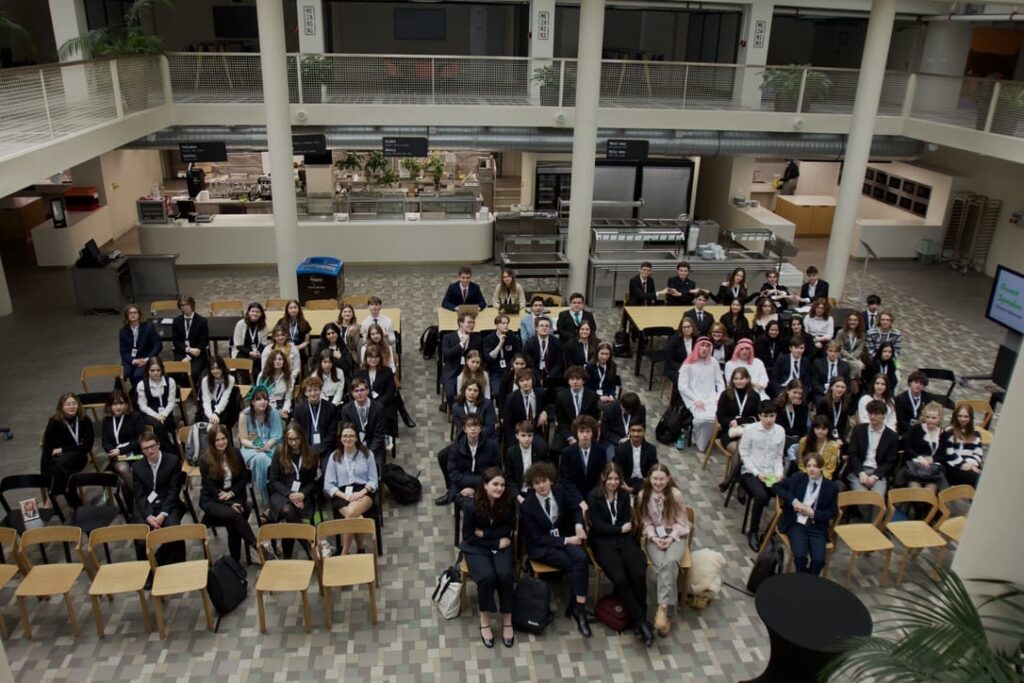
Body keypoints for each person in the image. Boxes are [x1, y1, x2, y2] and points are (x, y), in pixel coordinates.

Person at [519, 462, 591, 637]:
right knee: (575, 564)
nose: (541, 486)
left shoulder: (560, 490)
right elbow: (537, 538)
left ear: (550, 480)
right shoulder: (528, 505)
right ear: (531, 485)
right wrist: (566, 540)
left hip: (566, 537)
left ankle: (578, 608)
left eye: (544, 481)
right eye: (536, 483)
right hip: (544, 546)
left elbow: (575, 508)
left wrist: (578, 525)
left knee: (582, 559)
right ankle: (576, 609)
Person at [588, 463, 654, 646]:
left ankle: (640, 617)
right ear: (604, 478)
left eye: (617, 479)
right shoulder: (594, 497)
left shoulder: (624, 495)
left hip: (624, 541)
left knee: (639, 571)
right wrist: (618, 529)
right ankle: (642, 622)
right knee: (620, 578)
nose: (613, 482)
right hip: (603, 543)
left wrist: (622, 529)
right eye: (610, 479)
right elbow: (599, 527)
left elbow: (628, 521)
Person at [460, 468, 517, 649]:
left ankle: (507, 619)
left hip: (502, 544)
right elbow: (469, 536)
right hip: (477, 547)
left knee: (506, 575)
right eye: (495, 484)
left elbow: (508, 529)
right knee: (487, 577)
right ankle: (485, 619)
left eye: (502, 485)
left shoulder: (508, 503)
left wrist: (484, 533)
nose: (499, 488)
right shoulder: (471, 506)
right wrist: (493, 542)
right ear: (485, 485)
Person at [637, 463, 690, 637]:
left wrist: (670, 537)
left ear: (668, 479)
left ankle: (662, 609)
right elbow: (645, 522)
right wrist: (654, 537)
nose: (658, 482)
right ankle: (666, 616)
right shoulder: (643, 495)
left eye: (661, 479)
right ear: (649, 479)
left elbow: (683, 522)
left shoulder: (676, 495)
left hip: (676, 535)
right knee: (658, 568)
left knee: (669, 562)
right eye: (655, 479)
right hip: (655, 537)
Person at [199, 424, 257, 563]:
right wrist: (230, 504)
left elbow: (243, 477)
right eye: (217, 440)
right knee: (234, 514)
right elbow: (212, 489)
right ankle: (256, 544)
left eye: (223, 438)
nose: (221, 442)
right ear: (212, 442)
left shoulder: (235, 453)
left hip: (234, 494)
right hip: (213, 500)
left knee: (233, 521)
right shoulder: (205, 460)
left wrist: (232, 494)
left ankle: (234, 560)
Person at [773, 453, 838, 575]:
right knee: (800, 557)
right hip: (796, 523)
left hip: (817, 526)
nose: (812, 469)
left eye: (815, 466)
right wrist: (794, 501)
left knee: (818, 561)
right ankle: (802, 581)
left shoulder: (831, 487)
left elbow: (831, 513)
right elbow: (776, 487)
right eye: (809, 466)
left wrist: (813, 513)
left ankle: (808, 581)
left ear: (822, 468)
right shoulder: (797, 478)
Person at [324, 423, 379, 554]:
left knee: (350, 513)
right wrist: (345, 496)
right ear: (340, 438)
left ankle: (345, 551)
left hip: (363, 491)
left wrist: (361, 492)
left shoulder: (367, 454)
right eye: (344, 436)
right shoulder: (334, 456)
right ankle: (361, 548)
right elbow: (328, 485)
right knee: (355, 517)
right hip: (342, 494)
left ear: (356, 438)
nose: (347, 439)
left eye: (351, 436)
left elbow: (373, 480)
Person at [131, 431, 185, 564]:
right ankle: (146, 572)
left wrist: (162, 514)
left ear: (158, 444)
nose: (150, 451)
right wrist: (149, 516)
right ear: (141, 450)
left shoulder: (172, 461)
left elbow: (174, 491)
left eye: (152, 446)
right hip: (146, 506)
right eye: (145, 448)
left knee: (174, 533)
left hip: (167, 504)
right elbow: (139, 495)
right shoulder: (137, 467)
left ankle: (158, 563)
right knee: (140, 539)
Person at [267, 423, 319, 558]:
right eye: (290, 440)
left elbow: (312, 482)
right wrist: (290, 495)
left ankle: (287, 558)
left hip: (303, 494)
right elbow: (274, 481)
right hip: (282, 494)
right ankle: (308, 546)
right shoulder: (279, 452)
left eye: (297, 439)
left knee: (289, 516)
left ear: (302, 438)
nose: (294, 443)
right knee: (287, 510)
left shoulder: (311, 453)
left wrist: (302, 494)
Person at [739, 401, 786, 551]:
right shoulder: (751, 430)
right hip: (751, 472)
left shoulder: (780, 431)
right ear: (760, 415)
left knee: (786, 496)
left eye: (772, 416)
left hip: (771, 473)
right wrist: (758, 473)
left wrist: (779, 474)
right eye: (766, 416)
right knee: (761, 496)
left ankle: (769, 532)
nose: (769, 420)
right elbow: (744, 454)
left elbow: (779, 456)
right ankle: (752, 531)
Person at [846, 400, 899, 515]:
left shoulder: (892, 436)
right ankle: (872, 527)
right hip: (859, 471)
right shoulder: (859, 430)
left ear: (884, 416)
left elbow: (890, 461)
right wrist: (861, 473)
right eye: (871, 413)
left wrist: (875, 476)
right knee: (864, 499)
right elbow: (853, 454)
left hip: (878, 473)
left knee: (878, 501)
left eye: (877, 414)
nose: (873, 417)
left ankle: (873, 527)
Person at [238, 387, 283, 513]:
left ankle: (269, 495)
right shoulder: (244, 415)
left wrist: (267, 446)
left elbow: (277, 435)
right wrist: (256, 446)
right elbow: (243, 440)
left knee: (265, 458)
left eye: (265, 399)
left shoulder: (273, 412)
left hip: (271, 446)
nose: (263, 402)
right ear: (252, 402)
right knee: (260, 458)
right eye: (259, 399)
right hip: (251, 447)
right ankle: (267, 497)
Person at [716, 367, 761, 490]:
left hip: (747, 431)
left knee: (743, 448)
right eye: (735, 379)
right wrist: (731, 422)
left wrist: (740, 421)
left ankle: (729, 479)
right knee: (742, 450)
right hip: (729, 432)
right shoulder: (725, 394)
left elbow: (757, 417)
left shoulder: (754, 396)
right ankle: (741, 485)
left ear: (747, 379)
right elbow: (720, 415)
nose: (738, 381)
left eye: (741, 378)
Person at [42, 392, 94, 498]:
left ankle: (52, 497)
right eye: (68, 404)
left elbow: (87, 447)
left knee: (59, 463)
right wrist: (44, 473)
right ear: (61, 406)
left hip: (79, 456)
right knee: (59, 466)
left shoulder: (85, 420)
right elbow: (47, 448)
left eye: (74, 403)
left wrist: (63, 449)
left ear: (78, 405)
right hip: (59, 460)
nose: (72, 407)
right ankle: (72, 498)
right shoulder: (54, 422)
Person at [678, 337, 726, 452]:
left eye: (707, 346)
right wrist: (695, 400)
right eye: (702, 345)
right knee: (702, 419)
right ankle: (697, 437)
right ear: (697, 346)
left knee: (715, 418)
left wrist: (718, 397)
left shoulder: (713, 362)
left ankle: (704, 440)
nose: (704, 349)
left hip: (711, 398)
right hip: (694, 398)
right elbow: (682, 387)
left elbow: (720, 383)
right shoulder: (688, 364)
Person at [447, 415, 501, 511]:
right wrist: (476, 483)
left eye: (476, 426)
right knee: (471, 508)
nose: (473, 429)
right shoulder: (455, 448)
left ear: (480, 428)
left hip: (485, 486)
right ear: (464, 429)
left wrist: (476, 489)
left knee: (491, 504)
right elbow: (453, 474)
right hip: (462, 486)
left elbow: (496, 470)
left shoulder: (491, 446)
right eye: (469, 426)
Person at [100, 390, 147, 491]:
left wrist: (121, 450)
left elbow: (140, 439)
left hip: (136, 453)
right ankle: (140, 497)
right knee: (123, 469)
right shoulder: (106, 421)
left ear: (127, 404)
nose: (118, 407)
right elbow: (105, 442)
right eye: (114, 404)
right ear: (109, 405)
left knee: (125, 482)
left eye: (121, 403)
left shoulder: (135, 416)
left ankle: (139, 499)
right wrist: (112, 451)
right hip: (118, 457)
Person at [551, 366, 600, 454]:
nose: (575, 382)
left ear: (583, 380)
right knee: (555, 449)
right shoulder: (561, 396)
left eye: (578, 379)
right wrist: (569, 437)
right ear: (568, 381)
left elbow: (594, 417)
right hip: (566, 429)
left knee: (597, 450)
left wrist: (584, 434)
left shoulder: (592, 395)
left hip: (586, 430)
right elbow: (560, 420)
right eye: (572, 379)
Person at [339, 378, 388, 463]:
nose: (359, 393)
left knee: (378, 470)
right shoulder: (346, 410)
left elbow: (379, 435)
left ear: (368, 391)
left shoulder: (378, 408)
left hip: (375, 447)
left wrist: (368, 453)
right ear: (352, 393)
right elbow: (348, 433)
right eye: (356, 391)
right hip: (354, 446)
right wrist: (357, 451)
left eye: (362, 390)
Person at [293, 376, 339, 467]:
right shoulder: (299, 410)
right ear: (305, 393)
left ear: (320, 390)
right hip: (305, 448)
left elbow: (332, 433)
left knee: (328, 468)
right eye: (309, 391)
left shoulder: (331, 408)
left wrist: (320, 449)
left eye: (316, 390)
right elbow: (298, 432)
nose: (313, 393)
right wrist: (307, 449)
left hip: (326, 448)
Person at [501, 369, 550, 453]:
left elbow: (547, 405)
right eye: (521, 380)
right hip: (518, 433)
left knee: (543, 447)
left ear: (533, 380)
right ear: (518, 383)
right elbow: (508, 423)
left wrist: (545, 412)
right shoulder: (511, 398)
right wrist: (512, 442)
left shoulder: (540, 393)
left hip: (535, 431)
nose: (525, 383)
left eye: (528, 380)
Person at [136, 357, 178, 452]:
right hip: (150, 414)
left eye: (158, 370)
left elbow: (171, 402)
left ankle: (166, 450)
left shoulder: (170, 381)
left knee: (163, 424)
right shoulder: (142, 384)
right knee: (158, 425)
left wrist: (163, 415)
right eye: (152, 370)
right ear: (147, 371)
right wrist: (157, 416)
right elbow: (143, 406)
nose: (155, 373)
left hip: (166, 412)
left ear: (162, 370)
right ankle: (171, 451)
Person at [902, 402, 947, 492]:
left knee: (929, 493)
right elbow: (908, 448)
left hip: (933, 470)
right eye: (927, 417)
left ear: (940, 418)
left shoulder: (943, 434)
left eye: (933, 418)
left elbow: (943, 455)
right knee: (916, 491)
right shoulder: (916, 429)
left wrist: (933, 459)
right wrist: (919, 457)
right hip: (915, 468)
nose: (930, 420)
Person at [353, 345, 398, 436]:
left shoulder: (387, 371)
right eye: (370, 357)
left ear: (380, 358)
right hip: (363, 404)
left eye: (376, 357)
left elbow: (390, 392)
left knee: (386, 416)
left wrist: (376, 405)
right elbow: (355, 391)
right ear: (366, 358)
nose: (373, 360)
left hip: (382, 405)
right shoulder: (358, 373)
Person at [558, 415, 603, 503]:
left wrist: (592, 497)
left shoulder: (600, 451)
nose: (585, 435)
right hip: (573, 496)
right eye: (581, 431)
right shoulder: (567, 452)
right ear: (576, 433)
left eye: (588, 431)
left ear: (592, 433)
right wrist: (580, 501)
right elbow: (566, 480)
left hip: (594, 496)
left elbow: (600, 478)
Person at [440, 312, 483, 405]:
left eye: (473, 323)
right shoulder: (448, 337)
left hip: (470, 372)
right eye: (469, 322)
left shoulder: (477, 339)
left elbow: (480, 357)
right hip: (452, 372)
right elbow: (447, 355)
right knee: (451, 394)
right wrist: (461, 344)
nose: (472, 325)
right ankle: (456, 413)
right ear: (460, 323)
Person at [505, 421, 550, 502]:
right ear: (517, 436)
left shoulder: (540, 450)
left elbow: (545, 472)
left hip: (536, 489)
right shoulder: (511, 452)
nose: (527, 439)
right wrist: (518, 496)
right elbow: (509, 478)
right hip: (518, 491)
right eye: (523, 435)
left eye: (530, 435)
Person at [119, 303, 162, 388]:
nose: (133, 315)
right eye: (130, 313)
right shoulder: (123, 331)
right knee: (120, 376)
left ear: (139, 315)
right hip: (131, 360)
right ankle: (117, 398)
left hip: (145, 358)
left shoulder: (148, 327)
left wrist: (147, 359)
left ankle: (137, 398)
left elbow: (158, 345)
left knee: (137, 376)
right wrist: (133, 361)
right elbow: (123, 352)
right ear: (127, 316)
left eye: (135, 312)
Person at [944, 403, 984, 487]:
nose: (962, 419)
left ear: (971, 418)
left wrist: (971, 465)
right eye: (960, 416)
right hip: (954, 467)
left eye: (966, 416)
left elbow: (978, 454)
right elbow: (949, 454)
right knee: (978, 480)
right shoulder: (949, 432)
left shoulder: (976, 434)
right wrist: (964, 464)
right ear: (955, 416)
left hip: (971, 465)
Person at [612, 420, 658, 493]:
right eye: (633, 431)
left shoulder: (651, 449)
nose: (636, 434)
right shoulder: (620, 450)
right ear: (629, 432)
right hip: (626, 482)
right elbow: (618, 472)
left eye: (639, 431)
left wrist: (634, 489)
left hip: (644, 482)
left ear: (644, 432)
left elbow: (653, 471)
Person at [171, 295, 209, 383]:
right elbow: (176, 341)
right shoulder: (176, 321)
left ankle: (193, 390)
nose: (185, 307)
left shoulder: (202, 321)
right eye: (182, 305)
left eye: (187, 305)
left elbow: (203, 342)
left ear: (192, 305)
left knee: (194, 373)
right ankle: (181, 389)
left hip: (197, 354)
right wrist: (187, 350)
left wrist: (189, 357)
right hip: (181, 352)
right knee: (174, 372)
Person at [483, 314, 522, 398]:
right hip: (495, 371)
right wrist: (500, 343)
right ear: (496, 325)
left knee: (513, 392)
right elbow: (489, 358)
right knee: (497, 392)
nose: (506, 325)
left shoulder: (513, 337)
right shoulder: (488, 339)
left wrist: (513, 366)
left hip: (510, 369)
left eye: (507, 323)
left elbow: (518, 354)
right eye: (503, 323)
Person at [197, 355, 240, 429]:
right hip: (209, 407)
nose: (215, 371)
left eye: (218, 368)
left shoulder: (230, 379)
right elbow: (206, 400)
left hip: (224, 407)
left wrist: (216, 413)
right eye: (212, 369)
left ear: (222, 368)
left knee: (221, 422)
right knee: (206, 422)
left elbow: (225, 399)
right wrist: (211, 416)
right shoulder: (205, 380)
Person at [600, 392, 646, 459]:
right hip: (614, 440)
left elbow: (642, 427)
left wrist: (632, 437)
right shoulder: (609, 409)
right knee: (614, 460)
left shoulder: (640, 409)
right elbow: (606, 431)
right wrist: (620, 440)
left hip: (634, 438)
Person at [451, 380, 498, 446]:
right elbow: (460, 427)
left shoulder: (487, 404)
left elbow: (489, 426)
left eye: (475, 390)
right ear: (464, 390)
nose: (472, 393)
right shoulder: (456, 407)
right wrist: (470, 436)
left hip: (485, 437)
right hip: (464, 438)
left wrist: (475, 435)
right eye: (469, 390)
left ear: (479, 393)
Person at [797, 415, 842, 480]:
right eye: (817, 428)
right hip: (805, 474)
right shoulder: (804, 441)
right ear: (813, 429)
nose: (820, 431)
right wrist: (808, 473)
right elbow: (801, 462)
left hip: (823, 477)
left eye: (823, 429)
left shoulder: (833, 446)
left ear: (828, 430)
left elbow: (830, 469)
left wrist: (817, 476)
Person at [232, 302, 269, 378]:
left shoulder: (263, 326)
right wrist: (250, 353)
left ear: (261, 314)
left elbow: (263, 343)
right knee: (245, 369)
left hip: (257, 353)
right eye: (252, 311)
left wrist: (258, 352)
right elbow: (238, 344)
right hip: (242, 352)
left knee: (262, 369)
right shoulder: (240, 324)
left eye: (257, 312)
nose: (255, 314)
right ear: (248, 312)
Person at [775, 379, 809, 460]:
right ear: (787, 391)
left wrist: (797, 408)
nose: (797, 396)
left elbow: (802, 428)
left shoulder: (803, 406)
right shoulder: (778, 405)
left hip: (798, 439)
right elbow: (780, 427)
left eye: (800, 393)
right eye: (794, 392)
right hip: (783, 438)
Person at [894, 370, 937, 435]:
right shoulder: (900, 399)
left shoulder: (928, 398)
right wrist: (914, 430)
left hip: (922, 430)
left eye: (921, 384)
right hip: (905, 431)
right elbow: (901, 420)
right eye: (916, 382)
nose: (918, 385)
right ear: (910, 383)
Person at [523, 316, 563, 382]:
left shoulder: (557, 342)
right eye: (541, 326)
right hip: (534, 375)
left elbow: (559, 363)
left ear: (550, 329)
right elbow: (528, 363)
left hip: (553, 374)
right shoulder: (529, 343)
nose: (544, 328)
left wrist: (550, 377)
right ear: (536, 328)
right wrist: (538, 377)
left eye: (547, 326)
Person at [810, 341, 850, 405]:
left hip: (839, 392)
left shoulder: (845, 365)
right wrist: (827, 392)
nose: (832, 354)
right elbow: (815, 384)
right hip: (822, 392)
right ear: (826, 351)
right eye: (830, 351)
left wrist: (837, 392)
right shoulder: (817, 363)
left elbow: (847, 383)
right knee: (821, 402)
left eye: (835, 352)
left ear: (839, 353)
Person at [276, 299, 313, 369]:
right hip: (283, 348)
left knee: (298, 363)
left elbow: (307, 341)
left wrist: (298, 347)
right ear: (287, 310)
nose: (293, 310)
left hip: (298, 349)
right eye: (291, 308)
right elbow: (276, 337)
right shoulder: (281, 322)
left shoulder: (305, 323)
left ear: (299, 309)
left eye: (295, 307)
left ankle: (298, 378)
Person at [258, 349, 294, 420]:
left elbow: (288, 398)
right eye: (275, 359)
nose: (277, 361)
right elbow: (259, 396)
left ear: (284, 362)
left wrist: (285, 410)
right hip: (266, 404)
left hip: (281, 403)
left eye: (280, 359)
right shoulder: (262, 375)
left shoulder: (289, 376)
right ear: (271, 361)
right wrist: (271, 409)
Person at [835, 312, 867, 390]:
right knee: (857, 365)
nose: (852, 322)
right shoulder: (841, 332)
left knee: (858, 365)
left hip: (855, 358)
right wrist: (852, 359)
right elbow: (840, 348)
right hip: (842, 357)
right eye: (850, 320)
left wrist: (854, 359)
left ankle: (851, 385)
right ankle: (851, 382)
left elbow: (859, 349)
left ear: (859, 322)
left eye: (855, 320)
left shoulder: (862, 334)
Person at [817, 376, 853, 444]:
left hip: (839, 435)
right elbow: (822, 423)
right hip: (824, 434)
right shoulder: (823, 402)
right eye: (837, 386)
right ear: (831, 387)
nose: (840, 389)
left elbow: (843, 424)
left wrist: (840, 438)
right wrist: (834, 439)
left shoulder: (845, 403)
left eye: (842, 387)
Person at [666, 316, 698, 382]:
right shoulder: (674, 340)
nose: (686, 329)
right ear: (681, 329)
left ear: (693, 327)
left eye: (689, 327)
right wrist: (684, 368)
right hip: (677, 368)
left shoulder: (697, 339)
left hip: (693, 367)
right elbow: (670, 360)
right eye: (684, 327)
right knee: (684, 379)